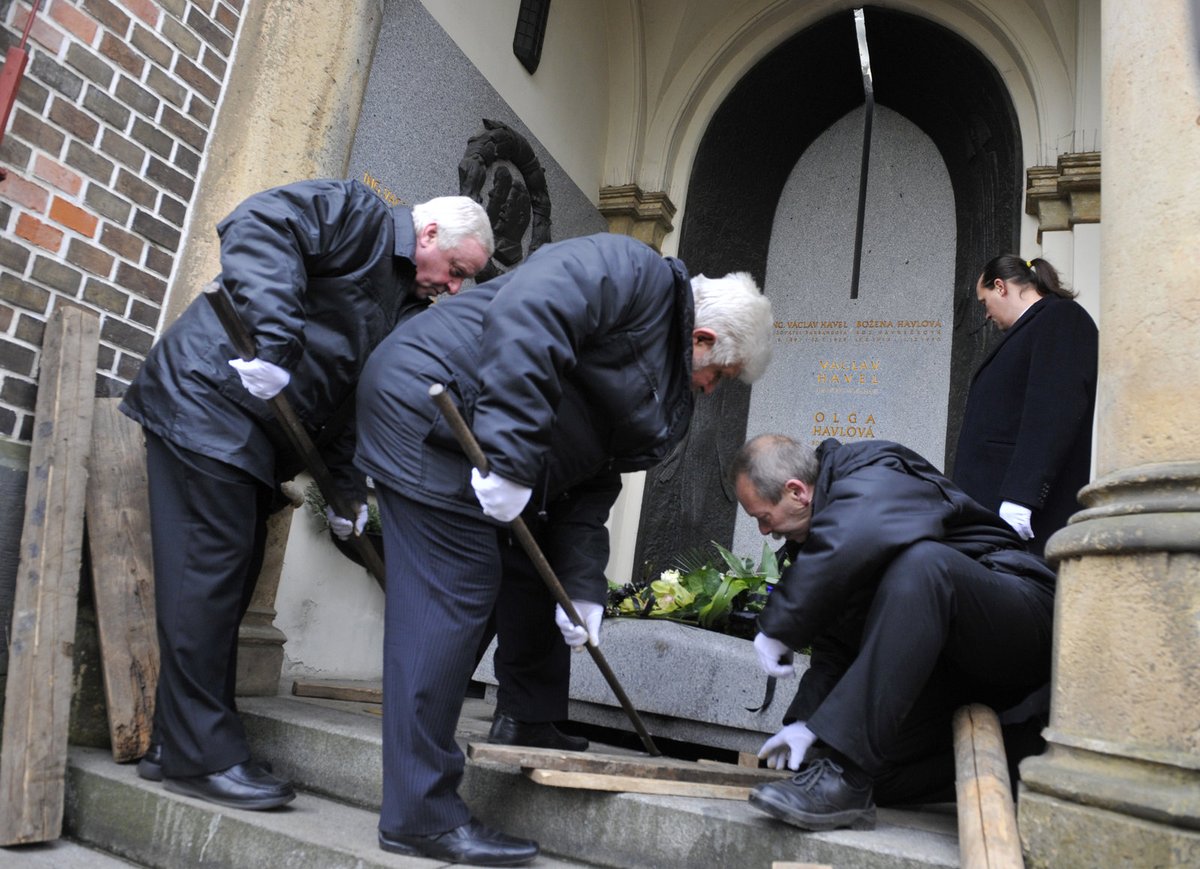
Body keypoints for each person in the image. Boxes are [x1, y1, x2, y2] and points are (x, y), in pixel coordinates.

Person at [355, 232, 774, 865]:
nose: (714, 389)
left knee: (534, 570)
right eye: (722, 376)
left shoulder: (663, 380)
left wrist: (583, 590)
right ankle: (420, 813)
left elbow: (593, 479)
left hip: (496, 445)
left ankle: (528, 713)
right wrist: (513, 457)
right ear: (705, 340)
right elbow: (532, 312)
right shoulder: (629, 271)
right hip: (436, 411)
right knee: (456, 597)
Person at [119, 179, 493, 810]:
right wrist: (272, 337)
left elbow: (348, 406)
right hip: (207, 404)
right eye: (456, 271)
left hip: (249, 439)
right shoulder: (358, 214)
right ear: (428, 235)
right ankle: (199, 755)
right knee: (206, 580)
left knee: (223, 586)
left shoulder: (402, 306)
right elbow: (261, 222)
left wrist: (348, 498)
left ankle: (176, 744)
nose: (454, 287)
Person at [731, 433, 1056, 832]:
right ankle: (1031, 754)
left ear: (797, 492)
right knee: (867, 767)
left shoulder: (871, 470)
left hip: (1018, 614)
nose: (765, 532)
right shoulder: (825, 548)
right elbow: (835, 649)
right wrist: (805, 723)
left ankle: (844, 775)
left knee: (924, 566)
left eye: (763, 517)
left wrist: (779, 624)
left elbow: (857, 530)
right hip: (949, 668)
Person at [953, 254, 1098, 557]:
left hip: (1021, 515)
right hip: (992, 508)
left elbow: (1054, 411)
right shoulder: (1033, 327)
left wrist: (1022, 498)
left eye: (984, 302)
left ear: (1000, 286)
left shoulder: (1061, 318)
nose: (986, 314)